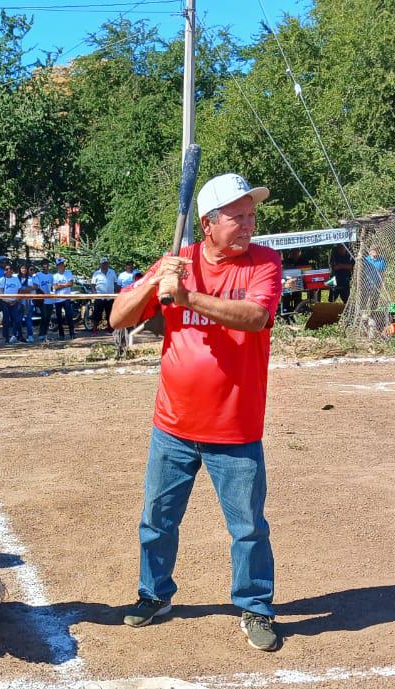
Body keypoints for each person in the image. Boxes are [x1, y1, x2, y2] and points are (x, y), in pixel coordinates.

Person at [109, 171, 283, 652]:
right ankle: (154, 595)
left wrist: (188, 298)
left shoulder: (263, 263)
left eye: (251, 215)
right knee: (157, 520)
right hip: (173, 425)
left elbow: (256, 318)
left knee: (248, 527)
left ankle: (254, 606)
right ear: (208, 223)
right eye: (238, 216)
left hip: (236, 427)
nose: (249, 225)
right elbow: (117, 318)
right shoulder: (178, 263)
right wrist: (155, 285)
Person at [0, 263, 24, 344]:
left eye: (10, 269)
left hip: (15, 303)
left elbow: (19, 290)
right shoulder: (1, 280)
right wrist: (7, 301)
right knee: (6, 321)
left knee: (17, 320)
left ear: (12, 271)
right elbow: (0, 292)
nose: (8, 271)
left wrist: (16, 300)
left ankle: (16, 336)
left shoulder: (16, 279)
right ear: (4, 271)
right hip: (5, 303)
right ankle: (6, 337)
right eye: (6, 269)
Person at [50, 257, 75, 339]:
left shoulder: (68, 273)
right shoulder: (55, 276)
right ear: (57, 266)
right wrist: (64, 285)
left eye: (62, 264)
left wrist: (61, 285)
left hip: (66, 297)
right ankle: (61, 334)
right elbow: (55, 287)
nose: (61, 266)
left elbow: (71, 283)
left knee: (69, 316)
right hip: (57, 299)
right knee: (59, 317)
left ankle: (72, 333)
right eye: (59, 265)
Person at [91, 257, 118, 332]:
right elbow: (93, 284)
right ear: (100, 264)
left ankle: (111, 329)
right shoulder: (96, 273)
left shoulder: (112, 272)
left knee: (110, 313)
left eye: (106, 263)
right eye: (103, 264)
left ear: (108, 264)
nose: (104, 265)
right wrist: (95, 294)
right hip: (99, 297)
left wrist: (115, 293)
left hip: (110, 297)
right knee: (97, 314)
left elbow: (115, 283)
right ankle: (94, 329)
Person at [30, 260, 55, 339]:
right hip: (42, 300)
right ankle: (41, 334)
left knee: (48, 317)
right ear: (42, 267)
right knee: (44, 316)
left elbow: (53, 287)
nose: (45, 268)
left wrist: (52, 289)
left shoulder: (51, 276)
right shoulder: (38, 275)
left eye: (47, 266)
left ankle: (45, 334)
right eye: (44, 267)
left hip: (50, 299)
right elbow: (35, 285)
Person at [360, 245, 387, 317]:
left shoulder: (382, 260)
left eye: (377, 250)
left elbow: (383, 273)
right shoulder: (365, 260)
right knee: (364, 301)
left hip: (376, 284)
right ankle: (362, 316)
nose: (376, 251)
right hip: (366, 284)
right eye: (374, 250)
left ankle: (373, 316)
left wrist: (381, 283)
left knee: (374, 302)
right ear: (370, 251)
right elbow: (361, 272)